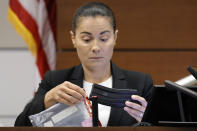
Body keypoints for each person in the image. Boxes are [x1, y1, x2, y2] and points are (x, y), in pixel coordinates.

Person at [15, 2, 153, 127]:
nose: (96, 47)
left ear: (115, 37)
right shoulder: (55, 80)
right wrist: (47, 100)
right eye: (87, 39)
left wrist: (147, 122)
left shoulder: (140, 83)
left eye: (104, 38)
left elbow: (162, 126)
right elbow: (20, 126)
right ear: (73, 39)